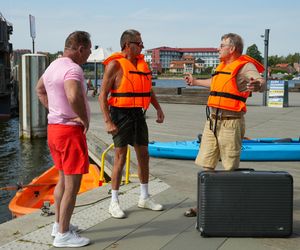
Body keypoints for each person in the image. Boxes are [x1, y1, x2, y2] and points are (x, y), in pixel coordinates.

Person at [184, 33, 265, 217]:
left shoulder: (245, 66)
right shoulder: (222, 66)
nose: (218, 48)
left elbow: (260, 81)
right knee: (207, 163)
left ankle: (229, 206)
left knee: (230, 166)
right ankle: (204, 204)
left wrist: (257, 85)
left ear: (232, 49)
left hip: (231, 123)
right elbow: (215, 83)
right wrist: (195, 82)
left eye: (221, 45)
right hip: (212, 121)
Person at [99, 29, 165, 218]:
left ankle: (144, 197)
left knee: (144, 155)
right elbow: (102, 95)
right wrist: (107, 121)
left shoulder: (142, 65)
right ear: (128, 45)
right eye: (139, 43)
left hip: (138, 113)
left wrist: (158, 109)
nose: (142, 46)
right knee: (120, 156)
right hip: (120, 114)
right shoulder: (115, 65)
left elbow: (148, 89)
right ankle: (114, 202)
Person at [36, 31, 92, 247]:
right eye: (88, 50)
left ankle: (58, 224)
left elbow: (39, 89)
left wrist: (56, 110)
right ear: (80, 48)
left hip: (54, 129)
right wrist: (83, 118)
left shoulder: (53, 65)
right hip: (69, 132)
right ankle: (63, 234)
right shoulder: (73, 68)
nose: (88, 54)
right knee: (72, 185)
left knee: (62, 179)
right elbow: (73, 95)